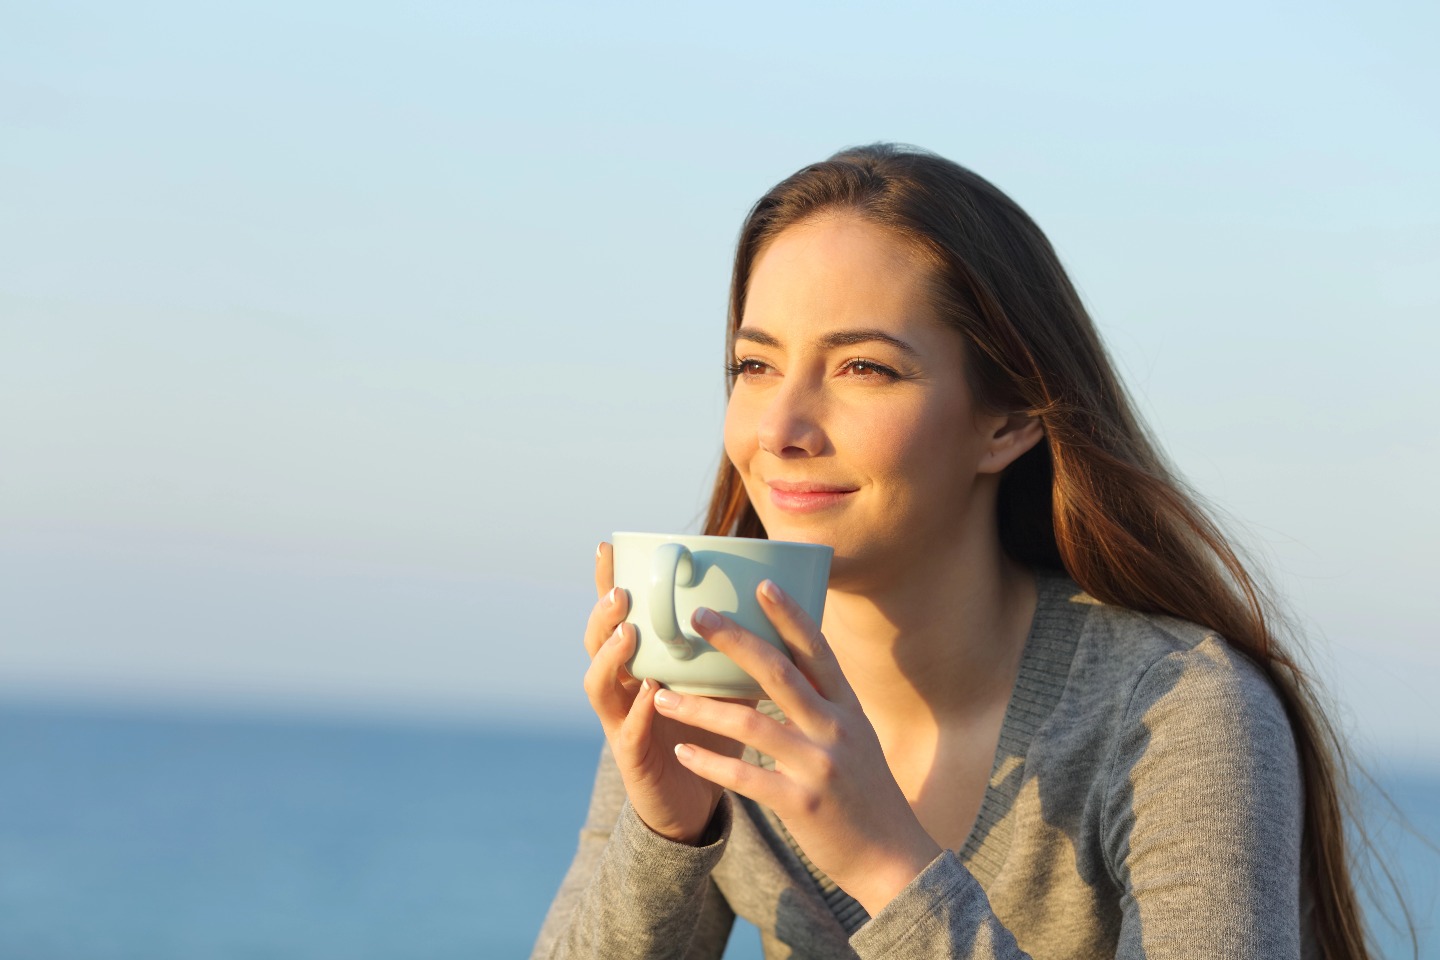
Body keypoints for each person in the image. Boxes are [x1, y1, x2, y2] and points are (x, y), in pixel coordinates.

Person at [532, 144, 1375, 959]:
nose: (780, 431)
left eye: (864, 368)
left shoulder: (1174, 711)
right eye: (755, 365)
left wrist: (889, 868)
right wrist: (668, 833)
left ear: (1006, 421)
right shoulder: (707, 681)